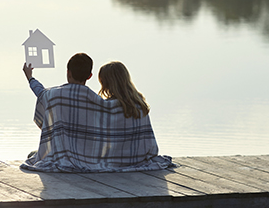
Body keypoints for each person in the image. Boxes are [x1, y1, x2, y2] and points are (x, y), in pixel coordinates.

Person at [21, 56, 174, 172]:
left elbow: (42, 94)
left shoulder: (59, 96)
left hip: (85, 160)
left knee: (34, 155)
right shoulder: (138, 104)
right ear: (89, 76)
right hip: (135, 160)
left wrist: (30, 77)